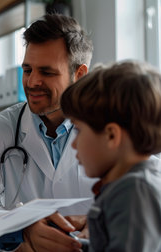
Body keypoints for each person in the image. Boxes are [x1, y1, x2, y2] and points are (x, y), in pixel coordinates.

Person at [0, 14, 95, 251]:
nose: (32, 82)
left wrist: (102, 221)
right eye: (28, 69)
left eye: (47, 72)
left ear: (79, 76)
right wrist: (21, 228)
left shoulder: (110, 126)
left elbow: (151, 186)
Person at [60, 60, 161, 252]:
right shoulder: (127, 187)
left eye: (79, 131)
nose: (73, 144)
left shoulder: (135, 192)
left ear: (111, 135)